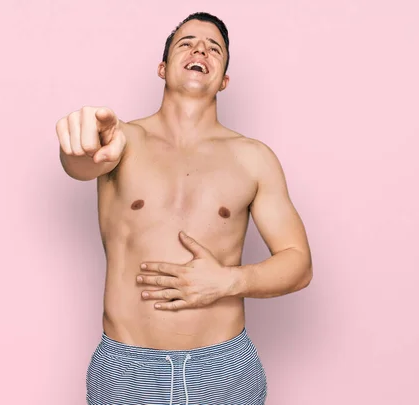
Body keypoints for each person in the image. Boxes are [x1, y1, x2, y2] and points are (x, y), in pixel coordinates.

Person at [55, 12, 313, 405]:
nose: (200, 50)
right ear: (162, 68)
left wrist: (228, 281)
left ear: (224, 79)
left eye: (214, 49)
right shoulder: (123, 141)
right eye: (187, 43)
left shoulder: (253, 158)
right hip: (127, 372)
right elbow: (83, 161)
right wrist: (80, 141)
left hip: (224, 370)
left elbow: (299, 264)